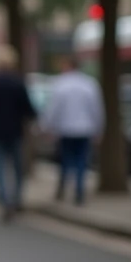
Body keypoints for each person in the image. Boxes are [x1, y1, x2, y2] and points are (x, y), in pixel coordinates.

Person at [0, 45, 37, 220]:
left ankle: (4, 200)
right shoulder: (18, 83)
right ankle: (16, 199)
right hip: (15, 131)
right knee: (17, 168)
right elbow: (28, 108)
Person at [41, 54, 104, 205]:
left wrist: (47, 126)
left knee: (65, 160)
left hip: (66, 129)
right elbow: (97, 109)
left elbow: (53, 108)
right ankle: (79, 192)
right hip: (85, 129)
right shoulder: (89, 84)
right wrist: (99, 128)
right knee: (82, 161)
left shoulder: (60, 84)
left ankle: (62, 188)